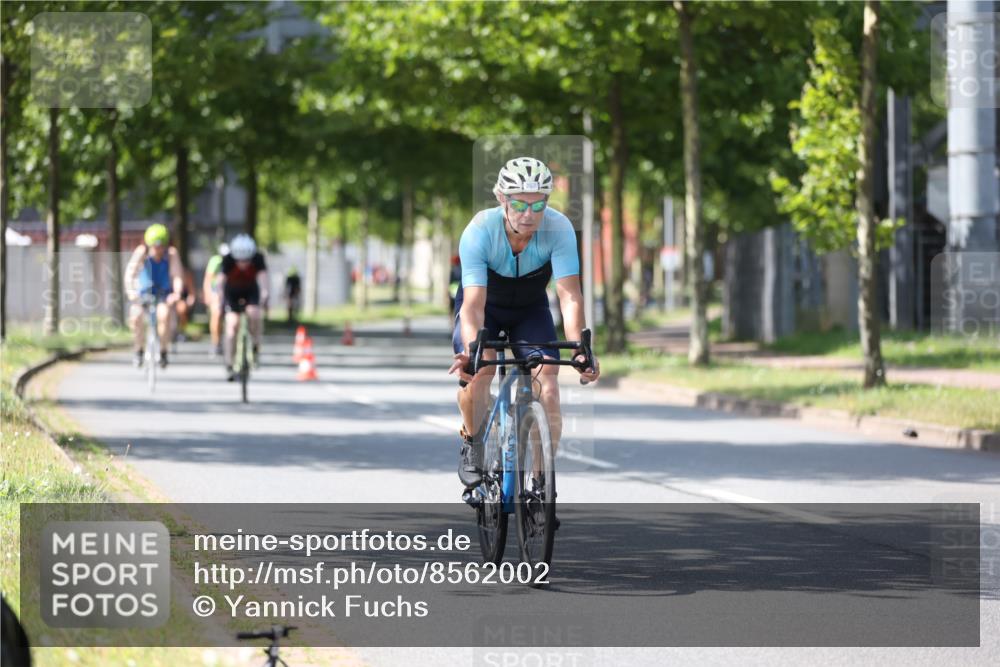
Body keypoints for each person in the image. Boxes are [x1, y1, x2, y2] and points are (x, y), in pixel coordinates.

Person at [448, 157, 600, 492]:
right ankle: (473, 444)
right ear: (501, 198)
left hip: (530, 310)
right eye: (519, 204)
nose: (529, 214)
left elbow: (570, 296)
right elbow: (473, 306)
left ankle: (540, 481)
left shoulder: (559, 229)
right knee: (481, 371)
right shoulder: (480, 230)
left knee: (549, 382)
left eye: (538, 204)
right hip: (485, 308)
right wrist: (473, 351)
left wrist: (580, 349)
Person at [124, 223, 183, 368]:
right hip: (144, 293)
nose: (158, 250)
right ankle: (138, 350)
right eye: (155, 246)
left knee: (164, 315)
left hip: (163, 293)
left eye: (161, 246)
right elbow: (130, 274)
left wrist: (176, 293)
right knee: (135, 316)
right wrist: (131, 292)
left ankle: (163, 351)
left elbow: (177, 276)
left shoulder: (171, 254)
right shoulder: (142, 252)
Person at [219, 234, 269, 381]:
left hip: (250, 291)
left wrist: (265, 293)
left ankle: (255, 345)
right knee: (232, 325)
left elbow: (263, 278)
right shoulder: (228, 260)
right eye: (240, 260)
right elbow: (221, 281)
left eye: (246, 260)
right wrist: (219, 297)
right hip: (232, 292)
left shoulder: (258, 258)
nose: (243, 264)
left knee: (254, 314)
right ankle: (229, 363)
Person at [202, 243, 228, 357]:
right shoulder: (215, 261)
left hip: (229, 290)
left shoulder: (234, 261)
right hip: (216, 291)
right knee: (216, 314)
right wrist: (208, 294)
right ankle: (216, 343)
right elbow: (208, 279)